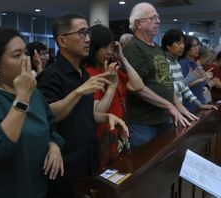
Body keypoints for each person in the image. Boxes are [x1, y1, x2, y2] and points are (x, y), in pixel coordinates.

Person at [0, 27, 64, 198]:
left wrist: (54, 145)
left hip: (35, 186)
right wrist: (22, 97)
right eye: (16, 55)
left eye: (25, 53)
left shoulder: (34, 93)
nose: (26, 60)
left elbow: (50, 128)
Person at [37, 13, 124, 197]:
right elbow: (48, 115)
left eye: (88, 34)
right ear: (62, 41)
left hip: (88, 157)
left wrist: (106, 116)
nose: (88, 40)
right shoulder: (51, 75)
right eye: (82, 33)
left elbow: (82, 114)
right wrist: (78, 91)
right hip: (64, 162)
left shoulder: (83, 73)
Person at [123, 2, 197, 150]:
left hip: (164, 117)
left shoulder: (156, 48)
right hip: (144, 123)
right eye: (152, 18)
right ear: (138, 23)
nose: (158, 21)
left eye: (158, 17)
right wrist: (169, 105)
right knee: (144, 166)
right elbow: (137, 88)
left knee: (165, 162)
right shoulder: (133, 48)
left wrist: (179, 106)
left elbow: (166, 82)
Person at [84, 24, 143, 171]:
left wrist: (123, 59)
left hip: (120, 132)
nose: (110, 52)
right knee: (106, 178)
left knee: (122, 172)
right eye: (105, 47)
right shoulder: (89, 73)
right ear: (93, 48)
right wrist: (111, 86)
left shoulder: (111, 68)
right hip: (104, 135)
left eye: (111, 47)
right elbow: (97, 112)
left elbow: (137, 86)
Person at [161, 29, 217, 111]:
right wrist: (191, 79)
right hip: (170, 111)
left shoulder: (176, 63)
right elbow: (169, 90)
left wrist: (199, 104)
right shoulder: (164, 63)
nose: (182, 46)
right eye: (178, 43)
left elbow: (184, 89)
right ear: (168, 46)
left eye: (183, 43)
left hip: (180, 110)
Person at [179, 36, 214, 112]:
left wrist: (206, 85)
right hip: (190, 107)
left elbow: (202, 84)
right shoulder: (183, 63)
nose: (198, 47)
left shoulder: (195, 64)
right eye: (194, 46)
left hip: (200, 104)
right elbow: (182, 87)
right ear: (187, 48)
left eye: (198, 45)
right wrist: (201, 80)